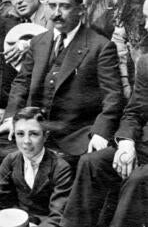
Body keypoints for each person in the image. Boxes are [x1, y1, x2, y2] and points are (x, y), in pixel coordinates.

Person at [0, 0, 124, 162]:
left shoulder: (100, 46)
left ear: (81, 10)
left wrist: (101, 133)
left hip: (74, 135)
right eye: (52, 6)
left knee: (71, 162)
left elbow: (113, 97)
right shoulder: (38, 42)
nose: (56, 13)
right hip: (33, 129)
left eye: (65, 6)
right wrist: (11, 118)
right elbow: (22, 83)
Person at [62, 47, 148, 227]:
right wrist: (126, 143)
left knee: (137, 180)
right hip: (143, 146)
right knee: (91, 163)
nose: (147, 25)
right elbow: (134, 113)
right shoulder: (147, 63)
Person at [0, 107, 73, 227]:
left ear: (45, 136)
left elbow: (58, 216)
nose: (26, 141)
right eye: (20, 134)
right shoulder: (11, 160)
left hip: (40, 222)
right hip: (14, 217)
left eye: (34, 134)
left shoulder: (60, 167)